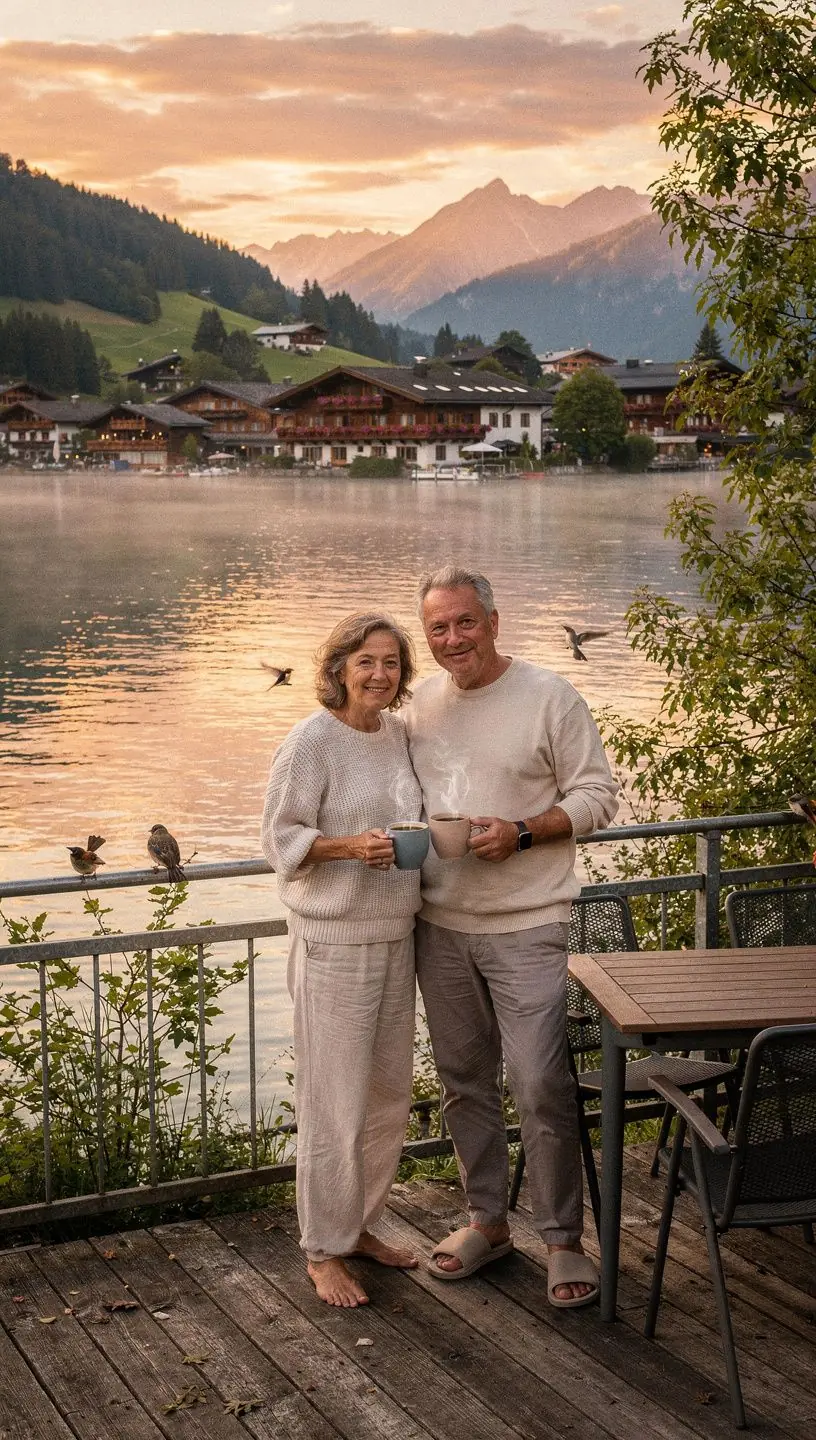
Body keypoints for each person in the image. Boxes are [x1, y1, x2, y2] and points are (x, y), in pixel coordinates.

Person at [404, 565, 619, 1307]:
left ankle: (562, 1240)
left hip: (529, 923)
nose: (453, 638)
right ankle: (487, 1223)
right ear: (425, 635)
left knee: (538, 1082)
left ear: (493, 622)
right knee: (464, 1082)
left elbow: (598, 796)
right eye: (439, 627)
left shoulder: (549, 697)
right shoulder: (419, 705)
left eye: (466, 622)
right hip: (440, 924)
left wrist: (524, 832)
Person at [261, 611, 422, 1308]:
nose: (380, 675)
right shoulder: (312, 740)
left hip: (398, 933)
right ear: (338, 669)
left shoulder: (398, 736)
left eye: (390, 663)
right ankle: (322, 1249)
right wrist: (348, 846)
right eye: (366, 663)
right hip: (334, 944)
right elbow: (280, 839)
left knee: (387, 1098)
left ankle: (359, 1227)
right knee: (333, 1103)